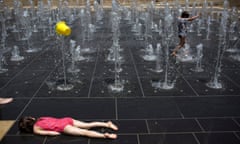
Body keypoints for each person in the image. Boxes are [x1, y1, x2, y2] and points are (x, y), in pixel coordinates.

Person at [18, 116, 118, 139]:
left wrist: (58, 133)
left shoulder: (36, 129)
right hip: (66, 119)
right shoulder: (40, 118)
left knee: (84, 132)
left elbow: (49, 133)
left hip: (63, 127)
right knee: (87, 125)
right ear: (31, 119)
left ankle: (104, 136)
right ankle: (107, 124)